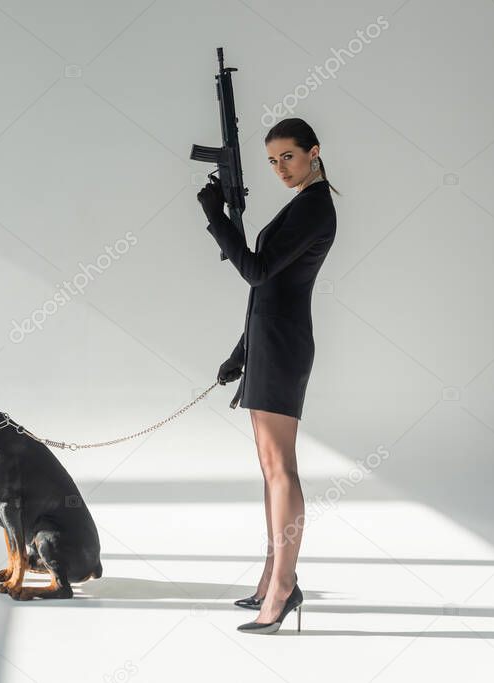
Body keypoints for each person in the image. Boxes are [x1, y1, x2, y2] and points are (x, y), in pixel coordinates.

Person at [197, 117, 339, 635]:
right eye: (274, 160)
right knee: (270, 470)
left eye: (289, 157)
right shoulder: (300, 204)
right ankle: (272, 576)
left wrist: (218, 221)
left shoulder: (316, 206)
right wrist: (241, 349)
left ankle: (283, 587)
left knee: (281, 469)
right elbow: (268, 288)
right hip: (268, 343)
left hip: (282, 345)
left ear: (314, 152)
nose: (281, 168)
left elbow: (257, 271)